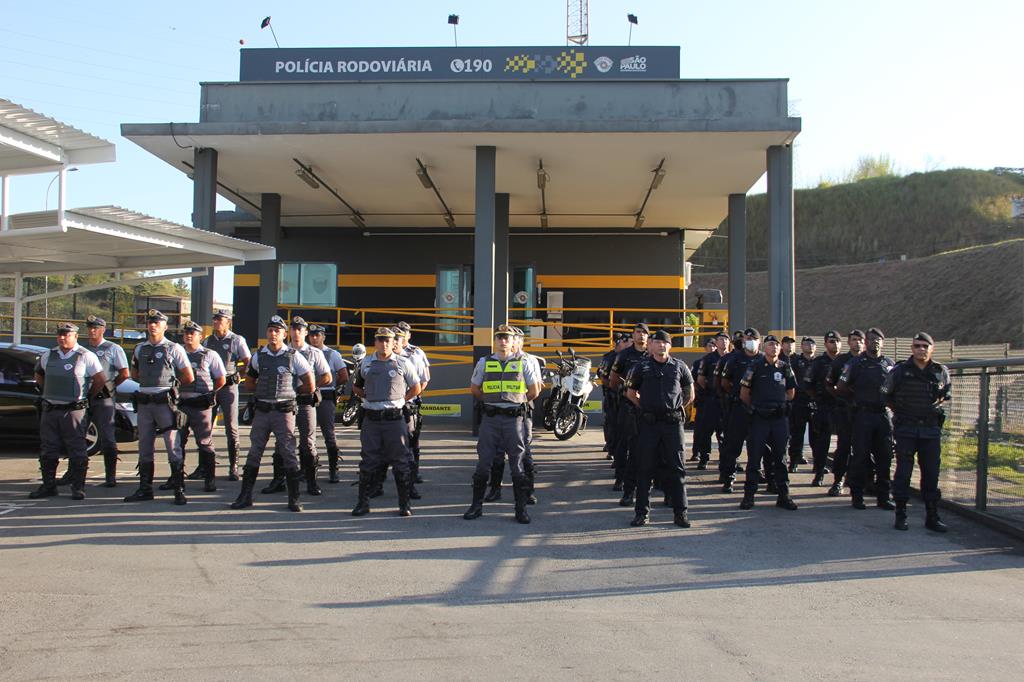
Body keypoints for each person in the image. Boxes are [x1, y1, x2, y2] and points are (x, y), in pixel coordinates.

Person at [231, 315, 314, 512]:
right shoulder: (259, 356)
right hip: (263, 411)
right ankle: (245, 495)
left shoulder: (294, 356)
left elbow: (309, 384)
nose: (273, 334)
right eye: (270, 330)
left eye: (277, 331)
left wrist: (290, 395)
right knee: (254, 452)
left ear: (285, 334)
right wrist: (261, 389)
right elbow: (249, 381)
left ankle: (294, 498)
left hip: (284, 412)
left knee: (288, 453)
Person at [463, 324, 542, 523]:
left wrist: (515, 403)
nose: (503, 341)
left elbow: (534, 391)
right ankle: (476, 506)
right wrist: (492, 403)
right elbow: (474, 389)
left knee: (517, 465)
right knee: (483, 463)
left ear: (514, 340)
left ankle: (520, 509)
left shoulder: (524, 362)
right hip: (490, 419)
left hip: (514, 419)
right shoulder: (484, 362)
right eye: (499, 337)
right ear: (495, 340)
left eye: (507, 337)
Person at [881, 332, 952, 532]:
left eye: (925, 346)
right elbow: (885, 395)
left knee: (931, 473)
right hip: (906, 428)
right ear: (912, 348)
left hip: (930, 430)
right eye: (917, 346)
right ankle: (901, 515)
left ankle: (932, 516)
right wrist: (900, 411)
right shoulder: (900, 371)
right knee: (903, 472)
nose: (921, 349)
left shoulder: (940, 371)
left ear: (932, 348)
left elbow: (945, 395)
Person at [624, 329, 695, 528]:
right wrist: (645, 408)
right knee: (645, 469)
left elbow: (690, 394)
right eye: (657, 342)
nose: (661, 345)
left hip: (672, 424)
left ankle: (680, 513)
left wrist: (675, 409)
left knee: (677, 469)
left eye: (665, 342)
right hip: (649, 424)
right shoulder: (641, 367)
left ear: (670, 346)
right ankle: (642, 514)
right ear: (651, 345)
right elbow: (631, 393)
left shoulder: (679, 367)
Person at [124, 310, 194, 505]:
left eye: (157, 322)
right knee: (144, 446)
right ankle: (145, 488)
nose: (153, 325)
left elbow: (189, 376)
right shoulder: (140, 348)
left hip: (165, 403)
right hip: (146, 402)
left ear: (165, 326)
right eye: (150, 322)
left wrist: (172, 389)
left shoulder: (174, 348)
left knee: (173, 445)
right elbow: (135, 374)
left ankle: (179, 489)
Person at [29, 323, 106, 500]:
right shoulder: (49, 355)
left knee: (77, 449)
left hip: (74, 410)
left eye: (67, 334)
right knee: (48, 449)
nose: (62, 338)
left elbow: (100, 380)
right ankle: (48, 486)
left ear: (75, 336)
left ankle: (78, 487)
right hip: (51, 410)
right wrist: (47, 391)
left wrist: (86, 396)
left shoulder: (86, 356)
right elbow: (39, 374)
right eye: (60, 335)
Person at [350, 327, 422, 517]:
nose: (384, 344)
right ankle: (363, 503)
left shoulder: (403, 363)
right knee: (368, 461)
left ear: (393, 343)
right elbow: (356, 387)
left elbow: (415, 387)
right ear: (375, 342)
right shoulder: (366, 363)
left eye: (387, 341)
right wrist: (370, 396)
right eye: (380, 340)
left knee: (401, 462)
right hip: (372, 419)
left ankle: (404, 505)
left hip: (394, 419)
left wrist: (400, 400)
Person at [263, 317, 333, 497]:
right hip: (284, 404)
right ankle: (279, 480)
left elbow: (327, 377)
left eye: (300, 329)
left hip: (304, 401)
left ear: (305, 332)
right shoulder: (281, 350)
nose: (296, 332)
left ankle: (311, 482)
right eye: (293, 329)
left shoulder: (313, 353)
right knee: (282, 442)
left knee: (308, 442)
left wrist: (308, 387)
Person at [837, 327, 896, 511]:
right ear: (866, 342)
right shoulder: (856, 363)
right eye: (871, 339)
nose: (875, 342)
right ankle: (857, 495)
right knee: (860, 457)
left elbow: (895, 388)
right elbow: (841, 386)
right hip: (862, 415)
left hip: (882, 415)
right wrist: (856, 399)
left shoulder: (889, 363)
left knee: (884, 457)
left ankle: (883, 496)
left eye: (879, 339)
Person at [739, 334, 799, 511]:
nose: (774, 347)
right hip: (760, 418)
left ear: (780, 349)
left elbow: (791, 392)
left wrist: (779, 405)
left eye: (776, 345)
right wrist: (757, 408)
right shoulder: (755, 366)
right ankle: (749, 497)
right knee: (754, 458)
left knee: (780, 458)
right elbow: (744, 393)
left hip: (779, 418)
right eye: (770, 344)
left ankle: (784, 496)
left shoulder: (785, 367)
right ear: (764, 348)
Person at [484, 326, 544, 504]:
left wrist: (521, 402)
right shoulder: (494, 360)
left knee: (524, 451)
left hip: (520, 411)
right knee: (497, 453)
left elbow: (536, 388)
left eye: (516, 338)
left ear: (520, 341)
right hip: (499, 413)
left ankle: (528, 491)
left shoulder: (529, 360)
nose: (512, 342)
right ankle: (495, 489)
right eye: (510, 338)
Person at [172, 320, 226, 496]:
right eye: (186, 333)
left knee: (204, 442)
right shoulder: (176, 352)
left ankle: (209, 479)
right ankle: (176, 479)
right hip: (180, 404)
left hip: (200, 405)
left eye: (193, 333)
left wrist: (210, 394)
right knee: (177, 442)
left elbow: (220, 379)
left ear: (200, 337)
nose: (189, 336)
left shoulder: (210, 355)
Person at [80, 315, 129, 487]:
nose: (92, 331)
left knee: (107, 436)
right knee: (77, 436)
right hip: (84, 396)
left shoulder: (112, 348)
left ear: (102, 330)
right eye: (90, 328)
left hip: (103, 398)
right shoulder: (82, 349)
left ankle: (110, 475)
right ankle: (76, 472)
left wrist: (110, 386)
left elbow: (124, 373)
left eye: (95, 328)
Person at [201, 309, 251, 481]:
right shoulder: (208, 340)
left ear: (228, 321)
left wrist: (240, 375)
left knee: (231, 427)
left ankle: (233, 467)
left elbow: (249, 363)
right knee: (206, 427)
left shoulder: (236, 340)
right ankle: (204, 466)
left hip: (229, 386)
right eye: (215, 319)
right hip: (212, 386)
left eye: (220, 319)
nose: (216, 322)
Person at [607, 323, 651, 506]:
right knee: (625, 445)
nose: (641, 336)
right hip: (628, 407)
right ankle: (622, 480)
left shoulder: (652, 355)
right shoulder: (624, 356)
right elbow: (613, 380)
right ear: (633, 335)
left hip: (649, 409)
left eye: (644, 333)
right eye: (638, 332)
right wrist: (624, 391)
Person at [717, 328, 763, 493]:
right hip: (738, 407)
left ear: (759, 341)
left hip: (759, 409)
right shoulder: (734, 359)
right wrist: (736, 395)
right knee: (733, 444)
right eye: (747, 338)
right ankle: (729, 477)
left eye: (753, 338)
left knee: (758, 445)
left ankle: (757, 474)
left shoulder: (764, 359)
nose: (749, 340)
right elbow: (724, 382)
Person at [825, 329, 866, 497]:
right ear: (848, 342)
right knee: (843, 448)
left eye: (860, 340)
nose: (857, 343)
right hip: (846, 411)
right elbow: (829, 384)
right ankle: (838, 480)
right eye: (854, 339)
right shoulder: (840, 361)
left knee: (864, 448)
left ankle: (861, 481)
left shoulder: (869, 360)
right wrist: (842, 397)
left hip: (865, 413)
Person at [309, 324, 349, 484]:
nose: (314, 338)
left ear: (323, 337)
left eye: (317, 335)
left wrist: (332, 387)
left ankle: (333, 469)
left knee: (329, 434)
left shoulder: (332, 354)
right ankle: (309, 468)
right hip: (307, 396)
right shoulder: (303, 352)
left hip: (325, 395)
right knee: (307, 435)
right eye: (312, 335)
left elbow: (344, 376)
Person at [805, 330, 842, 486]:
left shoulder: (846, 361)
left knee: (844, 444)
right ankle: (819, 472)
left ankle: (840, 477)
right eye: (831, 341)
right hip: (824, 405)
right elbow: (808, 384)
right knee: (822, 442)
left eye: (837, 341)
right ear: (826, 343)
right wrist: (817, 399)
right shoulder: (819, 362)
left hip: (842, 407)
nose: (834, 344)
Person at [397, 320, 431, 483]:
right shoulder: (386, 352)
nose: (401, 337)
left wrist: (409, 397)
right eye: (398, 333)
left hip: (410, 403)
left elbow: (424, 380)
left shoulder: (417, 353)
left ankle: (413, 473)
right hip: (390, 404)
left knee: (412, 439)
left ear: (409, 335)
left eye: (404, 333)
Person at [694, 332, 729, 470]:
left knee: (727, 431)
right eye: (721, 339)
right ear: (716, 342)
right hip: (711, 399)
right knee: (706, 431)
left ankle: (726, 458)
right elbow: (700, 380)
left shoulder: (733, 357)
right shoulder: (708, 359)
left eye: (726, 339)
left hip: (726, 400)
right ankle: (704, 457)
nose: (724, 342)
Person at [787, 336, 817, 472]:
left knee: (816, 436)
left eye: (812, 344)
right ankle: (793, 462)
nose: (809, 346)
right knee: (797, 434)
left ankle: (818, 464)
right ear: (802, 346)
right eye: (806, 344)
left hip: (816, 403)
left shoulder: (819, 362)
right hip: (799, 402)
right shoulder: (795, 361)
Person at [597, 333, 629, 457]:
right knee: (611, 422)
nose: (627, 344)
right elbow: (602, 375)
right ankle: (611, 446)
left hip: (625, 396)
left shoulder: (628, 356)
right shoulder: (610, 357)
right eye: (625, 342)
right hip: (612, 395)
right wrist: (612, 387)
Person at [688, 337, 715, 462]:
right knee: (700, 429)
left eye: (714, 345)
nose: (712, 348)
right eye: (709, 345)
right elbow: (693, 380)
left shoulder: (725, 360)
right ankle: (697, 453)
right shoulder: (700, 362)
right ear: (705, 347)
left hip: (718, 400)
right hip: (703, 399)